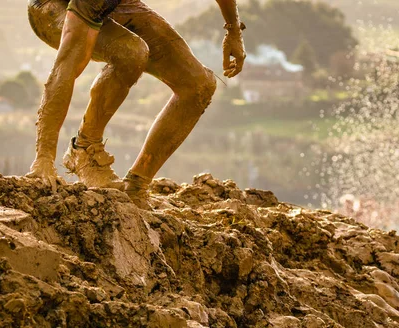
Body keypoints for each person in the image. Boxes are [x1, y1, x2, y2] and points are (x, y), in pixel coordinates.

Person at [26, 0, 246, 208]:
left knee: (199, 84)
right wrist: (44, 157)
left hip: (120, 5)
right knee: (131, 51)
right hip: (51, 7)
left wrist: (234, 31)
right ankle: (84, 149)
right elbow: (65, 66)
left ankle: (137, 186)